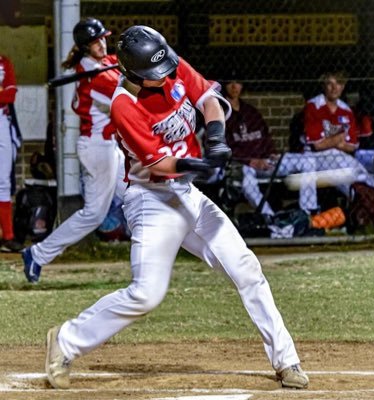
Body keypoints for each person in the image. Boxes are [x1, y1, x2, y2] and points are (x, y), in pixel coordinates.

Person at [44, 25, 309, 390]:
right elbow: (159, 166)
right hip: (151, 200)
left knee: (246, 268)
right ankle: (65, 340)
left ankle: (286, 360)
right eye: (157, 74)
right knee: (146, 293)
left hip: (187, 195)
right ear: (135, 73)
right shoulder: (124, 105)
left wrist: (215, 138)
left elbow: (209, 101)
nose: (167, 76)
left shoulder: (166, 63)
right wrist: (198, 164)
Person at [22, 17, 125, 283]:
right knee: (94, 214)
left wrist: (124, 62)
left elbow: (115, 65)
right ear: (84, 47)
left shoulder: (99, 65)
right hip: (98, 148)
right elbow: (127, 94)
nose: (101, 44)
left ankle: (154, 256)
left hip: (108, 145)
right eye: (94, 42)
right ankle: (38, 254)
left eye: (102, 38)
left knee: (139, 193)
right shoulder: (94, 78)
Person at [224, 77, 320, 216]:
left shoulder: (251, 112)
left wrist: (272, 154)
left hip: (265, 161)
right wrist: (249, 161)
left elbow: (266, 137)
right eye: (230, 82)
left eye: (238, 82)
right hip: (242, 166)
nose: (234, 87)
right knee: (247, 182)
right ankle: (269, 217)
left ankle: (307, 213)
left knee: (307, 161)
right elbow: (223, 148)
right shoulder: (220, 114)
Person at [303, 70, 374, 206]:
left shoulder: (346, 110)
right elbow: (318, 146)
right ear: (324, 85)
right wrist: (339, 139)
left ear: (343, 86)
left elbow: (352, 145)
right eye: (330, 83)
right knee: (348, 182)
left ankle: (372, 213)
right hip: (317, 158)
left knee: (368, 179)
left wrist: (331, 140)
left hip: (341, 156)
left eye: (339, 84)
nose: (334, 88)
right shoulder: (313, 106)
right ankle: (360, 211)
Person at [0, 54, 23, 253]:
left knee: (3, 182)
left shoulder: (3, 61)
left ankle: (8, 236)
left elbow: (10, 95)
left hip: (2, 121)